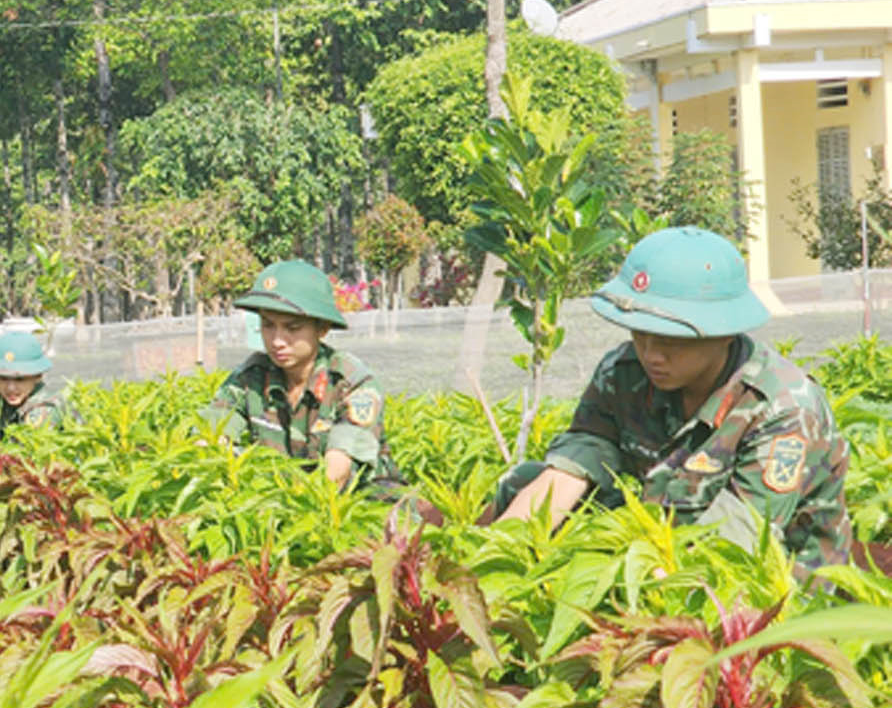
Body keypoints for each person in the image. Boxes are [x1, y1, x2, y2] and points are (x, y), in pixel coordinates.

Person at [489, 226, 851, 573]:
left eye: (672, 339)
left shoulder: (781, 407)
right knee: (524, 483)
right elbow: (577, 462)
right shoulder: (625, 371)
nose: (651, 354)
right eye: (640, 335)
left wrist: (624, 592)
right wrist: (496, 552)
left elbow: (736, 542)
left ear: (724, 333)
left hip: (771, 575)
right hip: (667, 532)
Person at [202, 260, 404, 491]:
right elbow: (210, 436)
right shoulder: (251, 377)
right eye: (268, 325)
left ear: (322, 328)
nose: (277, 340)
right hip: (280, 495)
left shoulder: (352, 383)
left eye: (293, 328)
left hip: (358, 499)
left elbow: (336, 472)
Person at [0, 329, 67, 439]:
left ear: (38, 376)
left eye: (20, 379)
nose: (10, 388)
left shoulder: (45, 407)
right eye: (3, 378)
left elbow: (29, 451)